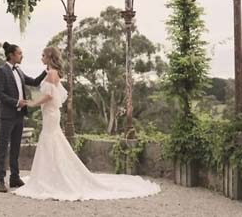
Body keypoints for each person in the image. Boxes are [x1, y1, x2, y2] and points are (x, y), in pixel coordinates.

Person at [11, 46, 161, 201]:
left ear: (49, 57)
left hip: (50, 113)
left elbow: (49, 96)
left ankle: (52, 176)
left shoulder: (51, 74)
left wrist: (31, 103)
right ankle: (51, 173)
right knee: (53, 141)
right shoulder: (53, 73)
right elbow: (57, 95)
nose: (41, 57)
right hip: (51, 113)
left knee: (50, 140)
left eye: (43, 55)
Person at [0, 41, 47, 193]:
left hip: (19, 115)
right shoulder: (2, 70)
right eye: (19, 53)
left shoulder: (19, 70)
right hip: (7, 115)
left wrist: (46, 71)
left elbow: (35, 82)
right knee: (3, 147)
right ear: (11, 55)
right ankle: (0, 180)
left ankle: (14, 177)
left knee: (16, 147)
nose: (22, 56)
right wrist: (16, 102)